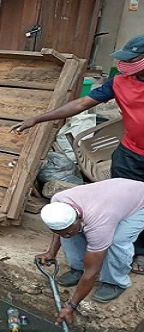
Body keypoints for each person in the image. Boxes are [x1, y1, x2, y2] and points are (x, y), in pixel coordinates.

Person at [12, 34, 144, 275]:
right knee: (124, 203)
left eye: (132, 59)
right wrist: (38, 119)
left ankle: (140, 251)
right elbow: (82, 104)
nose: (126, 65)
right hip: (129, 154)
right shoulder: (120, 82)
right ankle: (110, 245)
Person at [36, 178, 144, 325]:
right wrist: (51, 253)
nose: (65, 235)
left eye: (68, 230)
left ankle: (115, 282)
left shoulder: (99, 222)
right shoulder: (58, 202)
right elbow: (60, 230)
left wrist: (71, 306)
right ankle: (77, 268)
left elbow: (92, 271)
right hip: (115, 195)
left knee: (117, 241)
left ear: (79, 218)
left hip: (139, 202)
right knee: (70, 234)